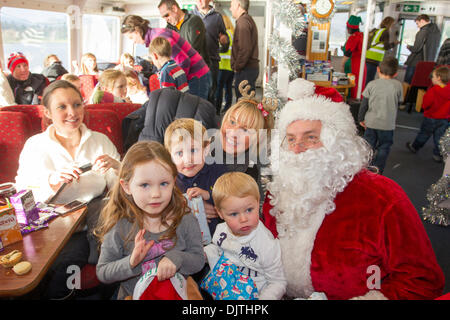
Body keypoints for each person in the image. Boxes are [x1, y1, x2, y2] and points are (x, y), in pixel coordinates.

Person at [261, 79, 445, 300]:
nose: (297, 148)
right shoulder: (278, 190)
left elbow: (421, 281)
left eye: (311, 137)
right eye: (291, 139)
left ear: (338, 141)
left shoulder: (382, 197)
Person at [15, 80, 121, 297]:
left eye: (77, 104)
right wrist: (51, 181)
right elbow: (21, 193)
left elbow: (123, 188)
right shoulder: (35, 146)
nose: (72, 112)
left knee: (113, 256)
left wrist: (116, 167)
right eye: (62, 107)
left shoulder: (100, 141)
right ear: (47, 112)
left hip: (96, 220)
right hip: (56, 227)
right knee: (62, 266)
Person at [95, 140, 205, 300]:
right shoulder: (120, 225)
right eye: (145, 185)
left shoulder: (185, 219)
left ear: (174, 182)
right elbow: (103, 272)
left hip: (177, 294)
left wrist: (177, 258)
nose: (156, 194)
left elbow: (198, 259)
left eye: (164, 184)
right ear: (126, 186)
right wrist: (131, 262)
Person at [203, 171, 286, 300]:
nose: (243, 219)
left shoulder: (266, 244)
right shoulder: (221, 230)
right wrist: (204, 254)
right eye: (234, 214)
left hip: (254, 295)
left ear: (258, 203)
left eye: (249, 210)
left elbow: (278, 282)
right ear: (220, 213)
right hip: (223, 289)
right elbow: (216, 249)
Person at [121, 15, 210, 100]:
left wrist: (180, 82)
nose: (133, 42)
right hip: (196, 74)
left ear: (137, 31)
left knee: (193, 113)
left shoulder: (159, 38)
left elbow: (184, 61)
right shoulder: (156, 34)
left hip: (196, 75)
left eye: (131, 37)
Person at [164, 118, 228, 235]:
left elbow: (231, 199)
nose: (188, 160)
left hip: (218, 238)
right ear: (170, 156)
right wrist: (189, 208)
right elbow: (162, 209)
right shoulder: (168, 180)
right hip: (182, 239)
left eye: (193, 150)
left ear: (206, 149)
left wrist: (208, 195)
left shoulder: (218, 171)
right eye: (179, 153)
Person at [358, 57, 403, 174]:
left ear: (378, 69)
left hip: (371, 122)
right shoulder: (398, 85)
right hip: (388, 124)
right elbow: (399, 102)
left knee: (368, 146)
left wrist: (361, 118)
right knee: (384, 147)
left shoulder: (372, 84)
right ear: (396, 73)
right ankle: (378, 169)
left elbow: (364, 104)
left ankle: (365, 168)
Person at [406, 66, 450, 163]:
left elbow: (425, 104)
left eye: (433, 77)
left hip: (430, 117)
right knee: (440, 138)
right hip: (444, 119)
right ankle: (438, 155)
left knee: (424, 134)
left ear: (439, 78)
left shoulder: (433, 91)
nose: (432, 79)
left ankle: (415, 147)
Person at [192, 0, 230, 106]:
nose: (199, 1)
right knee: (196, 94)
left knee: (211, 93)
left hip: (212, 61)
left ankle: (210, 119)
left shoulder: (217, 17)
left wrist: (225, 41)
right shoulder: (190, 16)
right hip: (195, 63)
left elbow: (224, 39)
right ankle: (197, 121)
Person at [158, 0, 210, 69]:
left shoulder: (194, 21)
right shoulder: (169, 29)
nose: (166, 19)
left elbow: (193, 50)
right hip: (183, 72)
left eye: (167, 15)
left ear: (174, 8)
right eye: (164, 17)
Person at [230, 0, 259, 101]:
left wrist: (237, 67)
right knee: (247, 102)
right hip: (247, 69)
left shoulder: (243, 22)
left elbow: (245, 49)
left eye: (231, 5)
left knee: (244, 103)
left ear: (238, 5)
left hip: (245, 70)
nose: (230, 9)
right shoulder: (247, 20)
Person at [404, 14, 441, 85]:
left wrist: (409, 47)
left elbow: (416, 48)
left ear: (422, 21)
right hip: (428, 63)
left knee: (408, 83)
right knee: (419, 84)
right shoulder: (437, 33)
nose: (417, 26)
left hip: (416, 62)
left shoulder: (423, 32)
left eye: (418, 23)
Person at [365, 16, 399, 85]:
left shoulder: (377, 31)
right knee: (369, 79)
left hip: (368, 56)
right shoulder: (385, 32)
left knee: (366, 78)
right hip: (375, 58)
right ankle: (366, 95)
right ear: (389, 24)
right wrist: (394, 44)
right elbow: (386, 47)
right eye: (392, 24)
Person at [341, 15, 366, 99]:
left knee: (351, 87)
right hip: (361, 65)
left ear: (349, 27)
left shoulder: (353, 37)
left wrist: (342, 65)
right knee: (359, 86)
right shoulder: (362, 35)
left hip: (353, 66)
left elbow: (348, 53)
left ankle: (351, 107)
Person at [215, 15, 234, 114]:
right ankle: (227, 107)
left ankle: (217, 110)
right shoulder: (232, 33)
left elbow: (223, 49)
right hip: (231, 67)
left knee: (219, 89)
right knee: (228, 88)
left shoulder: (225, 34)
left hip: (222, 66)